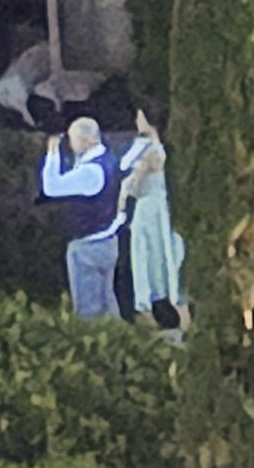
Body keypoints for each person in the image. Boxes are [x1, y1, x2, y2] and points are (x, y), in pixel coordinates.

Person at [39, 117, 123, 319]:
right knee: (108, 304)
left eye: (73, 139)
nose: (70, 144)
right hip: (108, 239)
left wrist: (52, 154)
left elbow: (51, 188)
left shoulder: (90, 172)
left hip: (88, 245)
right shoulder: (107, 159)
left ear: (86, 141)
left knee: (89, 311)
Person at [117, 103, 189, 329]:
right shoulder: (142, 146)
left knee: (158, 252)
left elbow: (136, 172)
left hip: (155, 206)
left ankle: (165, 302)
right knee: (148, 253)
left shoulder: (156, 151)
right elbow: (125, 166)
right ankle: (150, 302)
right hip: (149, 206)